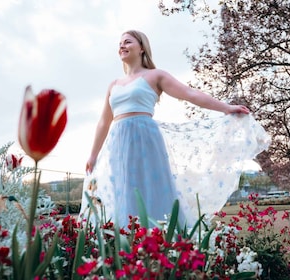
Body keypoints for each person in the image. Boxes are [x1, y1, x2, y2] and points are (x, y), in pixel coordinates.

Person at [82, 30, 269, 227]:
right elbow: (104, 121)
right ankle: (127, 243)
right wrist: (93, 155)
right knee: (123, 191)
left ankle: (164, 241)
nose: (121, 46)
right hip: (118, 145)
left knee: (153, 190)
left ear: (142, 47)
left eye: (127, 42)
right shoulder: (114, 84)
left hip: (146, 139)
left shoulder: (155, 75)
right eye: (120, 43)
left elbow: (190, 94)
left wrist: (226, 108)